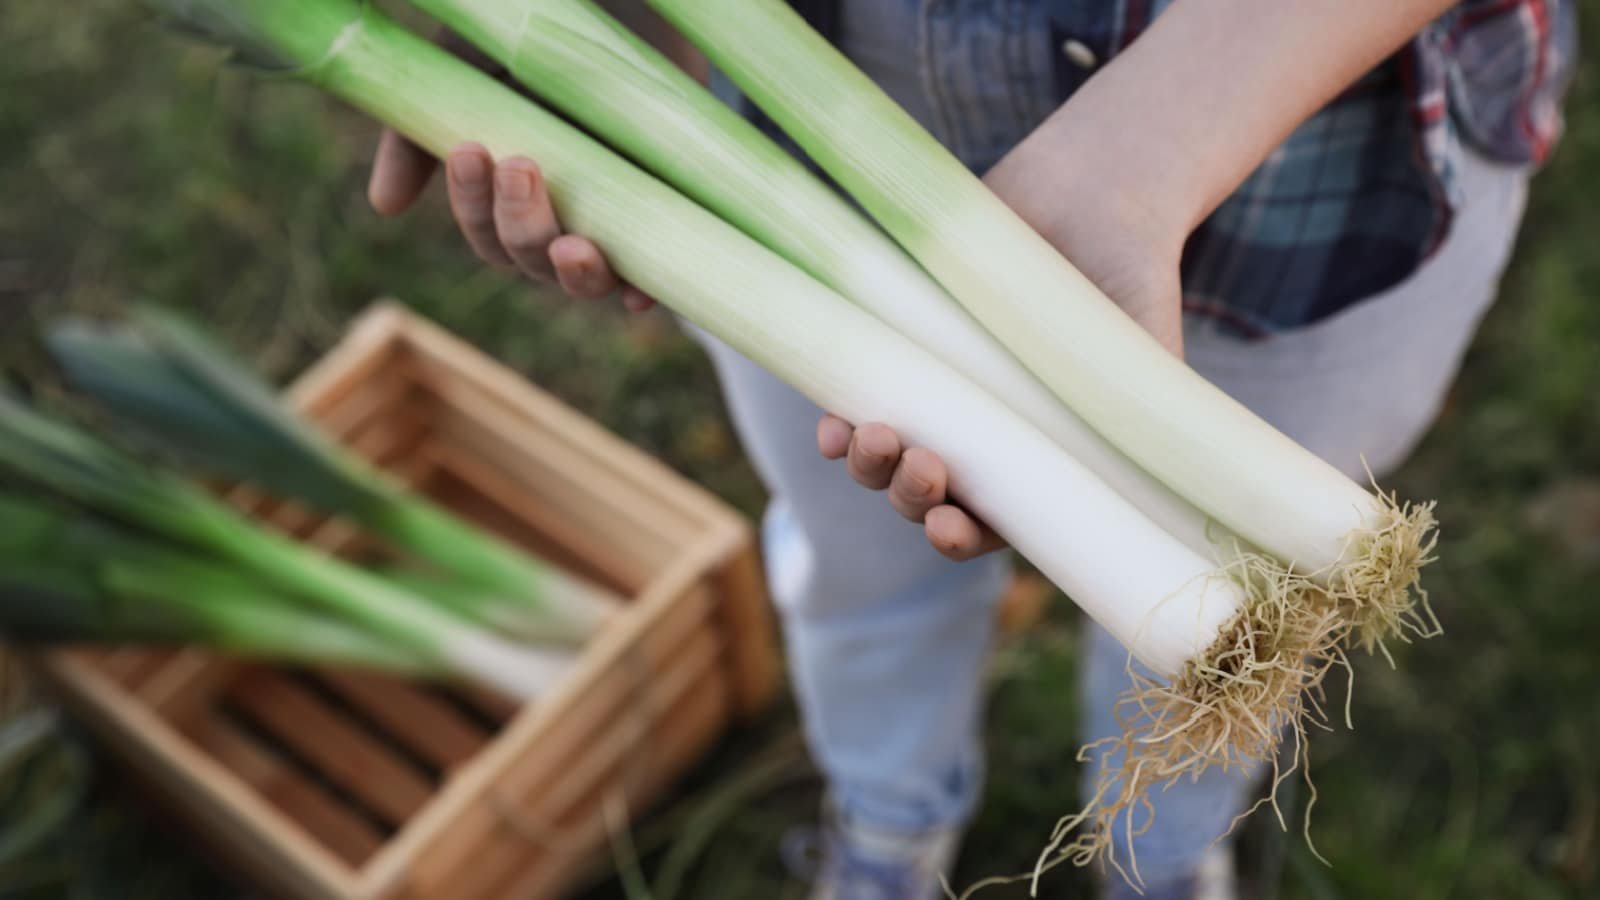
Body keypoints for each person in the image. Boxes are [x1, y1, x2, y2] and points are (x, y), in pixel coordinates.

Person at [366, 1, 1575, 897]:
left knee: (1229, 647)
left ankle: (1162, 855)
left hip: (1336, 154)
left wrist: (1138, 154)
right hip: (793, 159)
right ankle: (889, 820)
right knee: (860, 564)